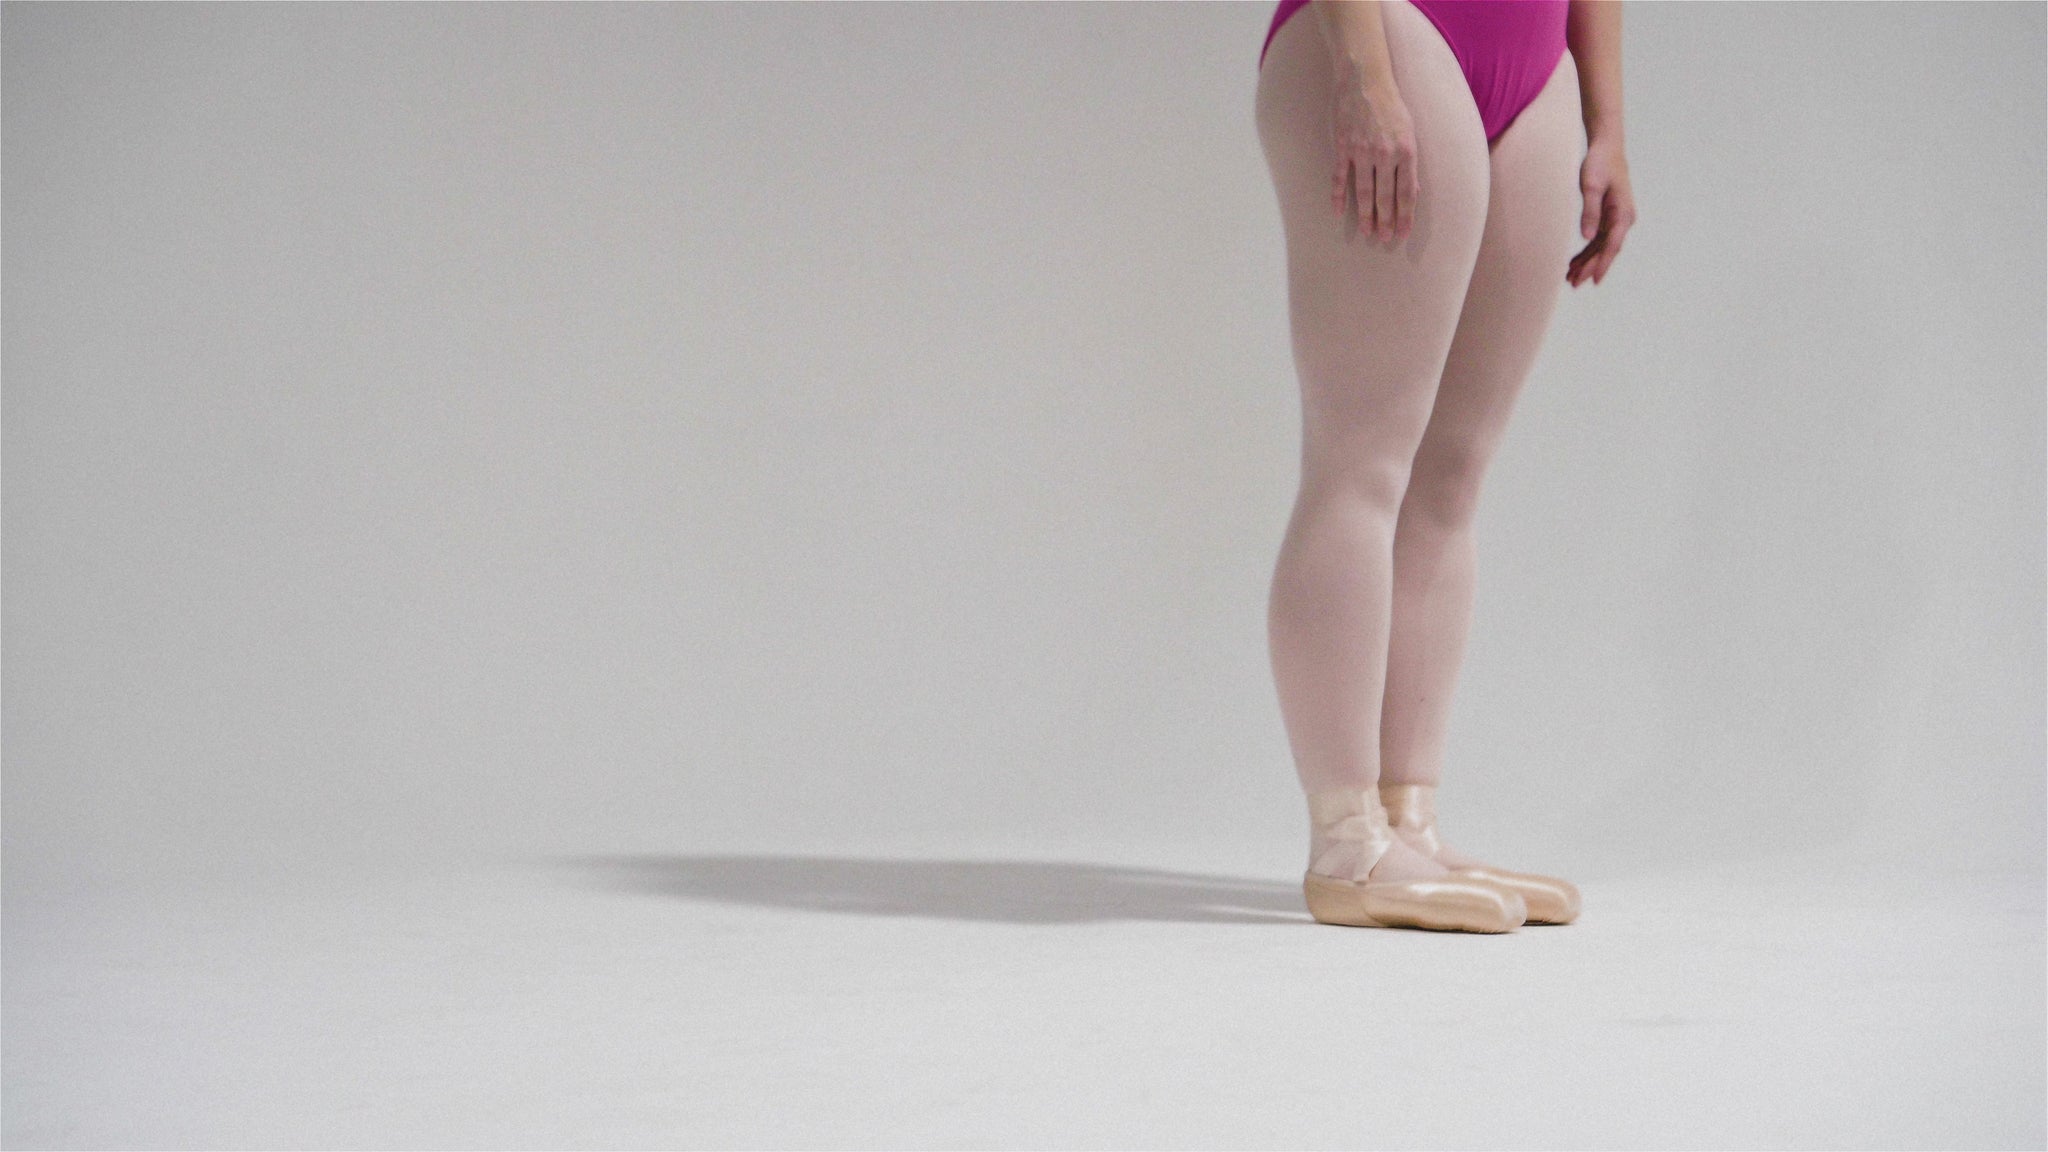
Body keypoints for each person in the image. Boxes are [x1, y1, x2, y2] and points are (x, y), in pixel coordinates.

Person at [1254, 0, 1636, 931]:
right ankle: (1346, 839)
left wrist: (1609, 125)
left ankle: (1407, 821)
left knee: (1452, 474)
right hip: (1388, 27)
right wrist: (1362, 73)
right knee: (1362, 458)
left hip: (1536, 60)